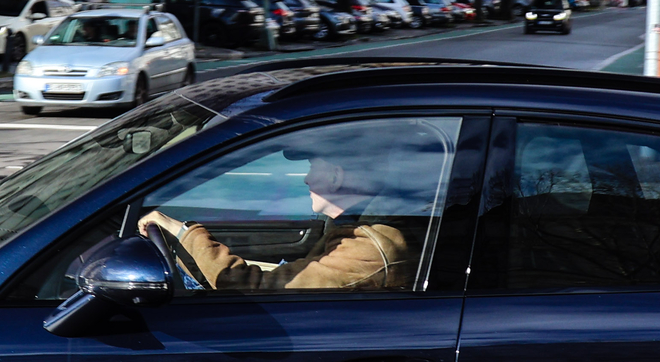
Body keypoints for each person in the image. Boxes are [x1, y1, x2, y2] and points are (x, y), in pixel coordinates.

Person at [138, 125, 444, 293]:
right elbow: (295, 276)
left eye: (313, 167)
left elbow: (259, 289)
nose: (307, 178)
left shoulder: (367, 249)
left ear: (337, 176)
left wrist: (182, 231)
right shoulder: (360, 233)